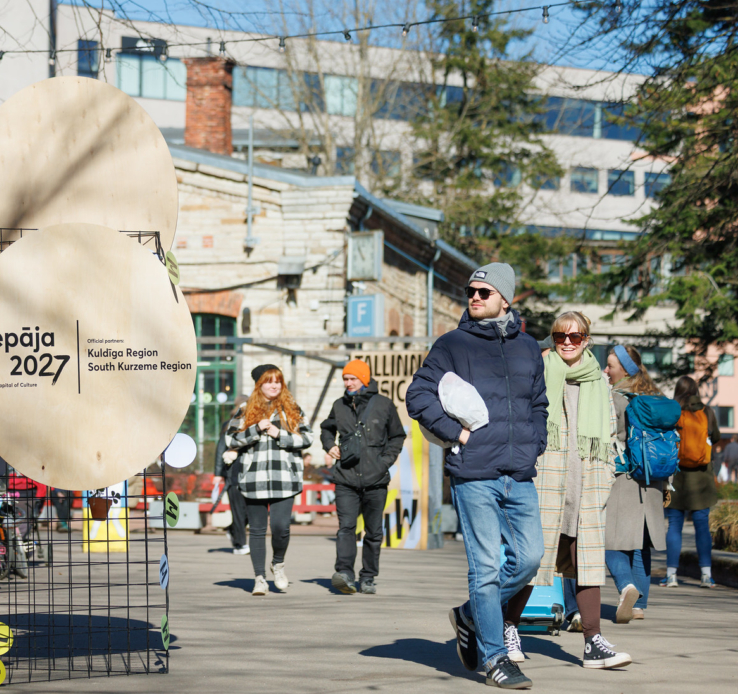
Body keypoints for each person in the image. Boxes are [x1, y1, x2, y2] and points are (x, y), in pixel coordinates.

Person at [406, 262, 547, 690]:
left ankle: (469, 615)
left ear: (505, 298)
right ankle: (494, 658)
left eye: (484, 292)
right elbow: (417, 394)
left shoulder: (527, 347)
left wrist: (534, 443)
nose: (474, 297)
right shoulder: (451, 344)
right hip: (473, 473)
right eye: (471, 291)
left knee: (529, 559)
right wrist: (456, 435)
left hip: (519, 472)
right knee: (485, 567)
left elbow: (538, 403)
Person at [503, 312, 632, 669]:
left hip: (587, 484)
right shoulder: (539, 373)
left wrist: (605, 474)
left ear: (587, 339)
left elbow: (608, 433)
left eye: (576, 336)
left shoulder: (599, 382)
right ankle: (506, 627)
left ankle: (593, 642)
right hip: (546, 480)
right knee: (532, 560)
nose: (569, 342)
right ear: (553, 339)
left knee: (588, 562)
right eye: (561, 336)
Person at [320, 359, 406, 595]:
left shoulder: (384, 405)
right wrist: (329, 445)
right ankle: (345, 574)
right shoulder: (339, 405)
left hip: (375, 479)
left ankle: (368, 577)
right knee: (346, 528)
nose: (348, 383)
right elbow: (326, 428)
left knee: (373, 531)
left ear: (364, 380)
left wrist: (385, 461)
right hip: (345, 478)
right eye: (345, 379)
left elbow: (397, 436)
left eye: (353, 379)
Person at [227, 365, 313, 595]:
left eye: (278, 381)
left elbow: (308, 438)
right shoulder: (245, 410)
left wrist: (279, 434)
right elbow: (231, 439)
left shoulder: (292, 408)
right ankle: (259, 578)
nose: (274, 385)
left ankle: (278, 563)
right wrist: (255, 429)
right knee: (256, 530)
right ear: (259, 384)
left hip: (285, 479)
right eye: (268, 381)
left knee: (280, 527)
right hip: (254, 479)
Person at [602, 345, 667, 622]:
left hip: (623, 477)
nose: (606, 370)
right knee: (642, 545)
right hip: (654, 479)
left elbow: (606, 435)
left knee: (611, 542)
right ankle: (640, 605)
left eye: (610, 366)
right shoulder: (655, 396)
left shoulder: (614, 397)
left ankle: (626, 587)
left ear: (625, 370)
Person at [665, 377, 721, 587]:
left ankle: (671, 575)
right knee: (702, 526)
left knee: (674, 526)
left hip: (676, 476)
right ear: (696, 391)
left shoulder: (672, 411)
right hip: (702, 479)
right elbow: (715, 437)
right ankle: (706, 575)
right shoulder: (707, 412)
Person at [214, 395, 251, 555]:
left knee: (249, 511)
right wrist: (217, 473)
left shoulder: (254, 424)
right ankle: (241, 544)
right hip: (233, 473)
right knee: (237, 509)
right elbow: (220, 447)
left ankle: (231, 529)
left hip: (250, 473)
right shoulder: (229, 425)